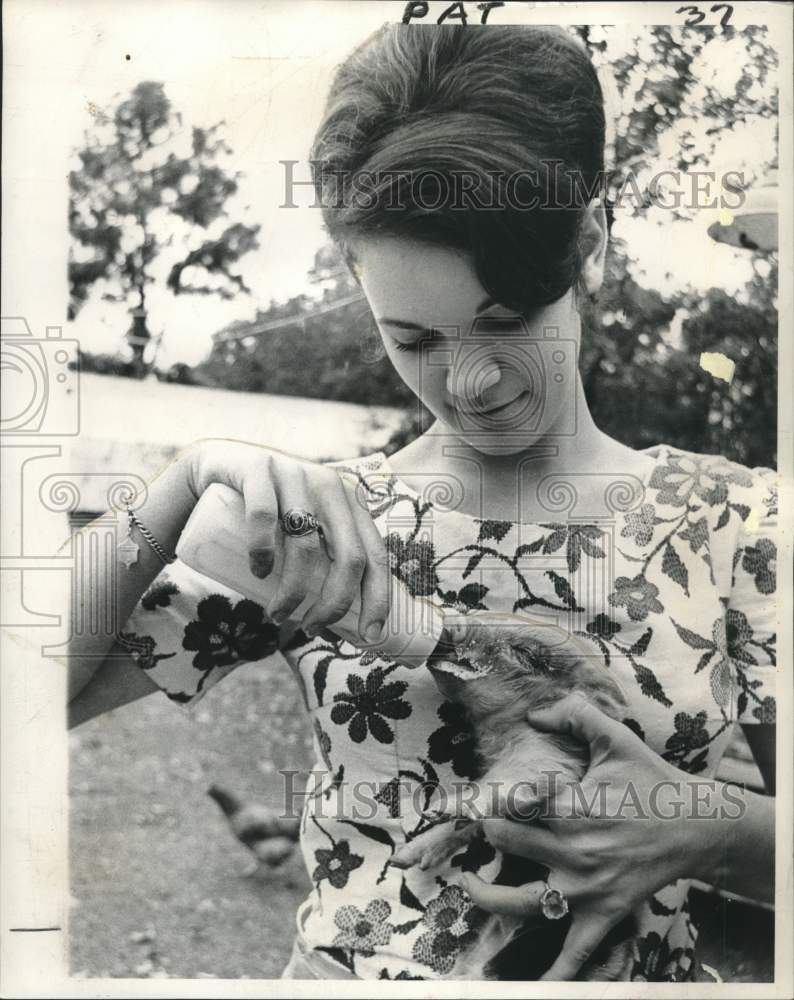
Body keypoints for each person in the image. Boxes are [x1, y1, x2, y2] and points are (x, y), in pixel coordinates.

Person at [68, 25, 777, 981]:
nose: (472, 380)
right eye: (414, 338)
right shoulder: (326, 534)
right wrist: (177, 485)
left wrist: (703, 829)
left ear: (592, 245)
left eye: (505, 321)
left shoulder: (736, 525)